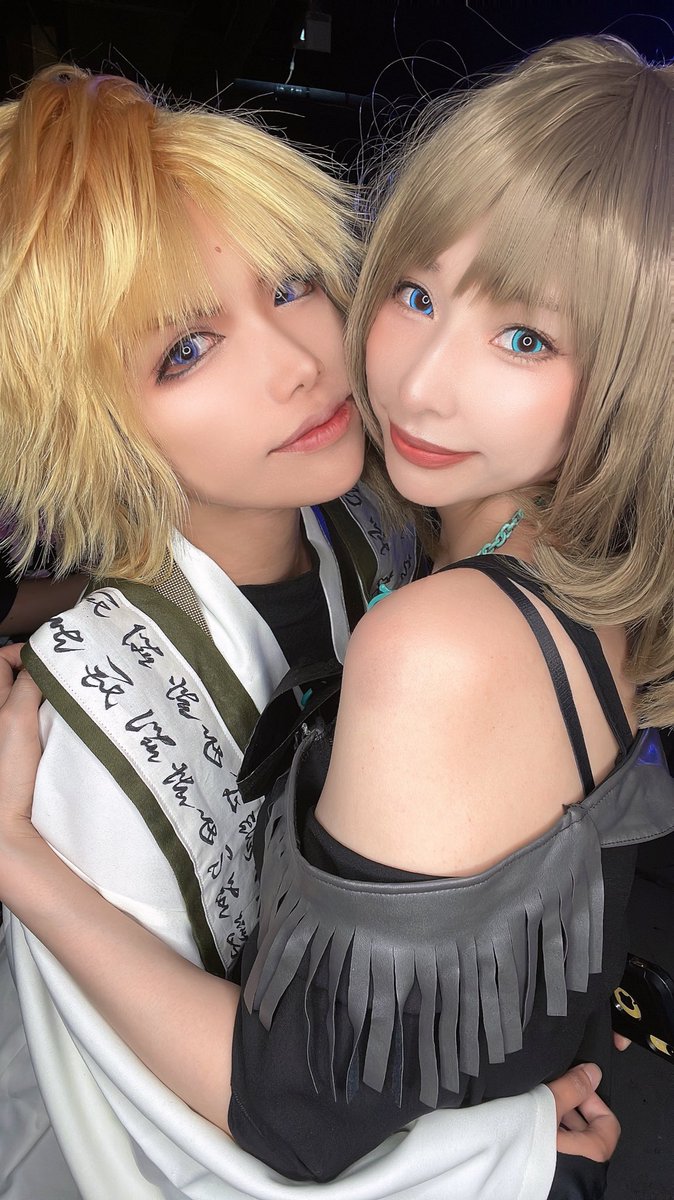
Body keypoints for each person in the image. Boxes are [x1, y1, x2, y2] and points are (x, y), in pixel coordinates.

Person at [0, 62, 595, 1200]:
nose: (298, 364)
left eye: (289, 284)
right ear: (89, 423)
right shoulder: (85, 714)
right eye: (184, 351)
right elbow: (162, 1130)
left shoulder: (368, 533)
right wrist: (502, 1146)